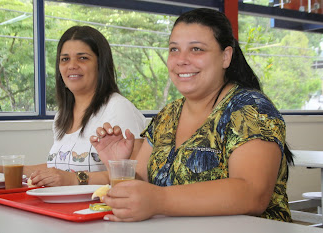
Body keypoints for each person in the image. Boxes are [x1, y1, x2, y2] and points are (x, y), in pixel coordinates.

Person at [88, 8, 294, 222]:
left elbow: (252, 194)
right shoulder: (168, 115)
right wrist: (119, 167)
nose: (181, 60)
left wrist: (159, 200)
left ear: (226, 56)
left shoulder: (250, 109)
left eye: (196, 49)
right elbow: (144, 185)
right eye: (174, 49)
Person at [0, 26, 146, 187]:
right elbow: (57, 169)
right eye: (65, 59)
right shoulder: (61, 116)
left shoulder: (119, 108)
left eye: (83, 58)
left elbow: (137, 177)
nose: (72, 65)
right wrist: (4, 170)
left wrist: (74, 179)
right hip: (61, 211)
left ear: (101, 64)